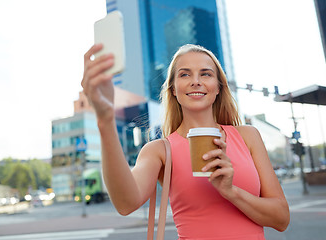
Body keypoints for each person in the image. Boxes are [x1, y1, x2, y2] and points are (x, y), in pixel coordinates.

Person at [81, 43, 290, 239]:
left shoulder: (248, 136)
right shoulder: (160, 151)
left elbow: (281, 219)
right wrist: (105, 121)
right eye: (185, 74)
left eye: (206, 74)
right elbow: (125, 204)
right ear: (173, 89)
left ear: (218, 87)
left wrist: (231, 192)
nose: (195, 81)